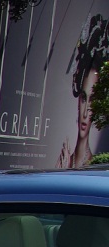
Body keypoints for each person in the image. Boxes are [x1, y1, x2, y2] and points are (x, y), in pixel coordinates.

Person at [57, 14, 109, 169]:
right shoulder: (63, 161)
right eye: (84, 98)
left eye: (93, 100)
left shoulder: (96, 167)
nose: (85, 113)